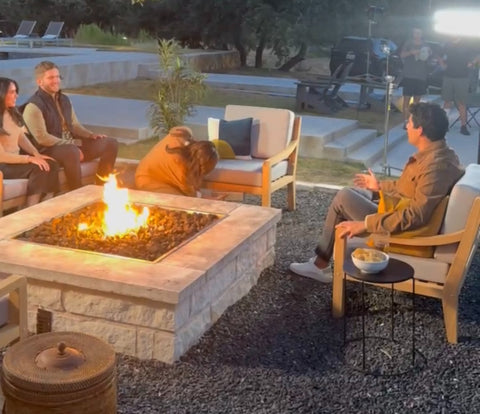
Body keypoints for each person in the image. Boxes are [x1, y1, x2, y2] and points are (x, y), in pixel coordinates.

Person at [290, 102, 464, 283]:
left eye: (409, 124)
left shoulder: (435, 167)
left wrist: (365, 224)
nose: (406, 127)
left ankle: (320, 265)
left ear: (420, 130)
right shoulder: (440, 154)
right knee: (356, 193)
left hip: (406, 232)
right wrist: (379, 186)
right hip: (398, 212)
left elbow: (416, 215)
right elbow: (411, 188)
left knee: (344, 197)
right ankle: (324, 260)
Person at [22, 61, 118, 190]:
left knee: (110, 143)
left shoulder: (64, 99)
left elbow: (75, 125)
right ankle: (76, 191)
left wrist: (91, 135)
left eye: (57, 77)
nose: (56, 81)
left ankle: (101, 187)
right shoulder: (33, 106)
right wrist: (71, 144)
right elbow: (42, 138)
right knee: (71, 151)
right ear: (39, 82)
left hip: (70, 145)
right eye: (51, 78)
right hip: (48, 149)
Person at [0, 77, 59, 207]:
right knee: (39, 169)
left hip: (14, 161)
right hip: (3, 165)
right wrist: (29, 159)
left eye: (16, 91)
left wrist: (36, 154)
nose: (17, 95)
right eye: (12, 92)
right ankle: (31, 208)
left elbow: (21, 136)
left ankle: (47, 203)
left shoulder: (12, 113)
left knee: (51, 164)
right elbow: (2, 156)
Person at [135, 126, 218, 196]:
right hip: (147, 181)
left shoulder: (180, 136)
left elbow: (182, 129)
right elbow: (190, 193)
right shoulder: (180, 167)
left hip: (156, 173)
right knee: (182, 201)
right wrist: (205, 197)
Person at [440, 36, 480, 136]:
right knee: (447, 101)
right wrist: (442, 64)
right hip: (448, 76)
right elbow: (438, 55)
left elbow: (478, 54)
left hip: (462, 77)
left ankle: (463, 126)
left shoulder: (466, 44)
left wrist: (472, 62)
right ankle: (444, 125)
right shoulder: (447, 43)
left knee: (462, 102)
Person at [400, 28, 431, 128]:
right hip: (409, 75)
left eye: (419, 33)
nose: (417, 35)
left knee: (417, 102)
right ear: (412, 34)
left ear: (422, 34)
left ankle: (414, 121)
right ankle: (405, 121)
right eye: (415, 33)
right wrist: (411, 52)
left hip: (421, 76)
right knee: (406, 99)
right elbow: (402, 55)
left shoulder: (426, 45)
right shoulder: (408, 43)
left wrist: (428, 53)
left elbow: (429, 57)